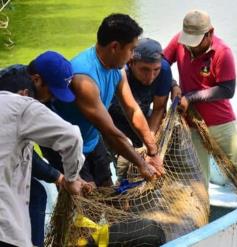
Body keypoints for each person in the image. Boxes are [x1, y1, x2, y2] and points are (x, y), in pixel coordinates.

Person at [44, 13, 165, 189]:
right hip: (68, 147)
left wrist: (152, 151)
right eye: (131, 49)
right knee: (85, 196)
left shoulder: (118, 67)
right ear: (115, 47)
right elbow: (110, 131)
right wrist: (142, 164)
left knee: (107, 187)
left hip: (92, 139)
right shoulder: (84, 79)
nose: (132, 56)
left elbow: (133, 110)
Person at [163, 10, 237, 194]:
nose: (191, 47)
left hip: (222, 123)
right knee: (198, 177)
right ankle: (203, 217)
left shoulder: (222, 52)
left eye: (196, 42)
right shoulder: (179, 41)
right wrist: (173, 85)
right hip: (191, 124)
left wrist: (190, 97)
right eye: (189, 42)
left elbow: (227, 90)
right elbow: (162, 64)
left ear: (210, 32)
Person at [0, 55, 87, 247]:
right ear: (35, 81)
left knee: (37, 192)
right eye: (52, 92)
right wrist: (71, 179)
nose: (52, 98)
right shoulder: (22, 104)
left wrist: (58, 176)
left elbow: (27, 156)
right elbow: (72, 137)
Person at [109, 38, 173, 148]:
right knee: (122, 160)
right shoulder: (118, 72)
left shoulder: (164, 70)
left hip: (141, 117)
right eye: (144, 69)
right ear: (131, 62)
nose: (150, 77)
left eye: (156, 70)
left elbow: (158, 108)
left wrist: (151, 138)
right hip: (111, 119)